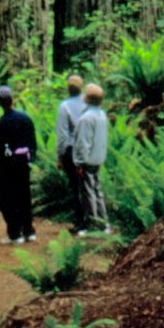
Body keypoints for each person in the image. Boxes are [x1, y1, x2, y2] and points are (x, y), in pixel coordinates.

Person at [0, 84, 39, 244]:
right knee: (24, 197)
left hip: (6, 168)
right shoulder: (25, 119)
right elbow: (33, 143)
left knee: (9, 199)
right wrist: (31, 159)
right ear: (12, 99)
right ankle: (29, 231)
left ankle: (14, 233)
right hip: (23, 166)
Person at [72, 81, 110, 234]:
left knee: (88, 193)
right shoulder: (102, 115)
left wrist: (79, 163)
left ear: (87, 98)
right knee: (97, 191)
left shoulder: (86, 118)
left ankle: (93, 224)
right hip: (98, 158)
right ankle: (103, 223)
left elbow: (83, 142)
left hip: (87, 161)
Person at [55, 73, 87, 232]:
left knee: (76, 187)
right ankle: (93, 221)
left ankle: (80, 223)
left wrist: (60, 155)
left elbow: (62, 134)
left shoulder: (65, 106)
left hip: (72, 152)